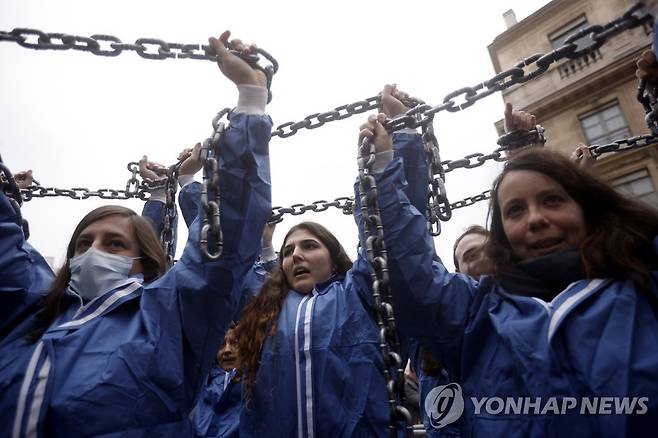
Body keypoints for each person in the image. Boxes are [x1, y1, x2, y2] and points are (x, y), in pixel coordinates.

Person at [0, 30, 272, 437]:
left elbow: (222, 240)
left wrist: (251, 97)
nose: (94, 251)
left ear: (143, 261)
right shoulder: (29, 311)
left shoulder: (164, 320)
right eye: (83, 243)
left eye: (114, 244)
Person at [361, 109, 658, 435]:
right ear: (503, 235)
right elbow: (409, 266)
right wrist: (389, 158)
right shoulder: (476, 317)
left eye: (554, 201)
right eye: (515, 211)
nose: (535, 219)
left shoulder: (642, 278)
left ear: (586, 210)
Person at [190, 323, 243, 438]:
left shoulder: (252, 383)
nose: (227, 350)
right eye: (221, 345)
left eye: (235, 343)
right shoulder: (200, 385)